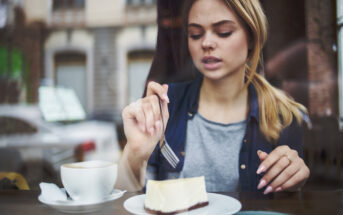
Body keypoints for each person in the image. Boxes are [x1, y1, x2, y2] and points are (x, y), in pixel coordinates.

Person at [115, 0, 310, 194]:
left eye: (224, 32)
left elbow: (289, 205)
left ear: (251, 36)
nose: (206, 43)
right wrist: (135, 154)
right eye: (195, 34)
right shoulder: (167, 103)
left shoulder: (284, 116)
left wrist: (294, 183)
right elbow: (126, 201)